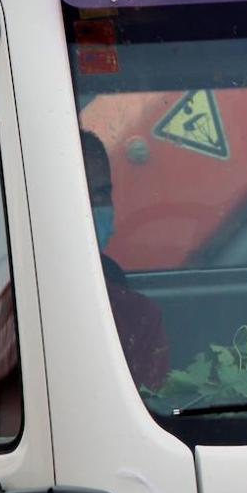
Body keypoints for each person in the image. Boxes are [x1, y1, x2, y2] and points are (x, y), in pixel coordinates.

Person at [81, 129, 171, 389]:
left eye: (101, 194)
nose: (94, 205)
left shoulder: (137, 317)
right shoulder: (7, 314)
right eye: (82, 195)